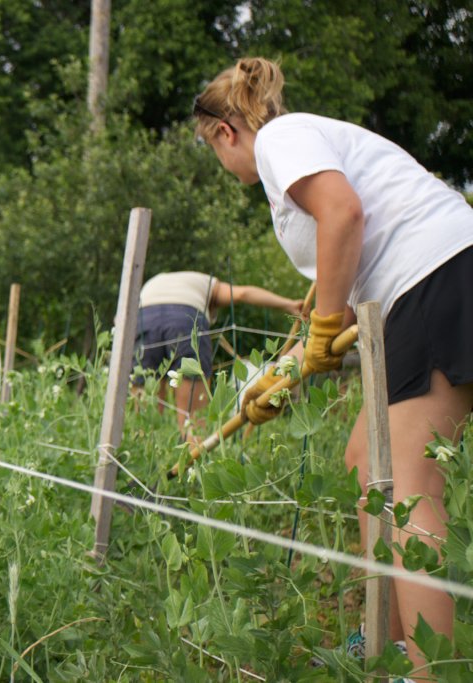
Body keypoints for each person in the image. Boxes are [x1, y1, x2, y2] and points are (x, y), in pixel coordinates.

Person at [194, 56, 473, 674]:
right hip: (421, 289)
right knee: (364, 462)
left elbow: (343, 215)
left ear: (223, 132)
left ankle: (435, 673)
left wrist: (320, 330)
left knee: (407, 484)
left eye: (215, 152)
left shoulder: (279, 140)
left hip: (437, 277)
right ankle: (389, 642)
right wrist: (284, 372)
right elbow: (344, 301)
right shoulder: (302, 150)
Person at [134, 270, 303, 440]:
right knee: (191, 418)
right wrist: (289, 304)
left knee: (145, 413)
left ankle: (141, 452)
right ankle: (194, 459)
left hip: (143, 319)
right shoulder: (208, 282)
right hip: (185, 320)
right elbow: (242, 294)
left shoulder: (154, 282)